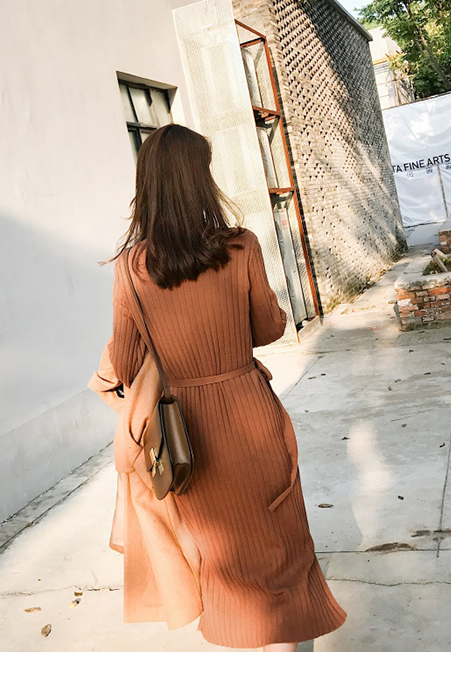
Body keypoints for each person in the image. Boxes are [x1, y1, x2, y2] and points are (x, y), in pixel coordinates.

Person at [103, 123, 346, 651]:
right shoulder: (241, 246)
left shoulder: (131, 267)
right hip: (249, 412)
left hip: (186, 433)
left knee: (224, 558)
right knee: (280, 547)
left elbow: (124, 365)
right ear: (200, 179)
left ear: (148, 185)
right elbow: (270, 328)